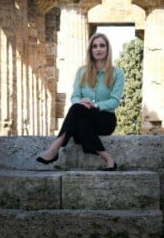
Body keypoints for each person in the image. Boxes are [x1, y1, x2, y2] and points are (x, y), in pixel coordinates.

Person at [37, 32, 124, 170]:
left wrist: (94, 105)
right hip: (84, 116)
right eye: (94, 46)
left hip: (106, 119)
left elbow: (114, 102)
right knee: (80, 121)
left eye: (102, 45)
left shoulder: (117, 73)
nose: (98, 49)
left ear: (108, 49)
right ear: (90, 50)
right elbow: (75, 96)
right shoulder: (82, 72)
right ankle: (108, 159)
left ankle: (55, 148)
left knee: (77, 110)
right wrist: (81, 102)